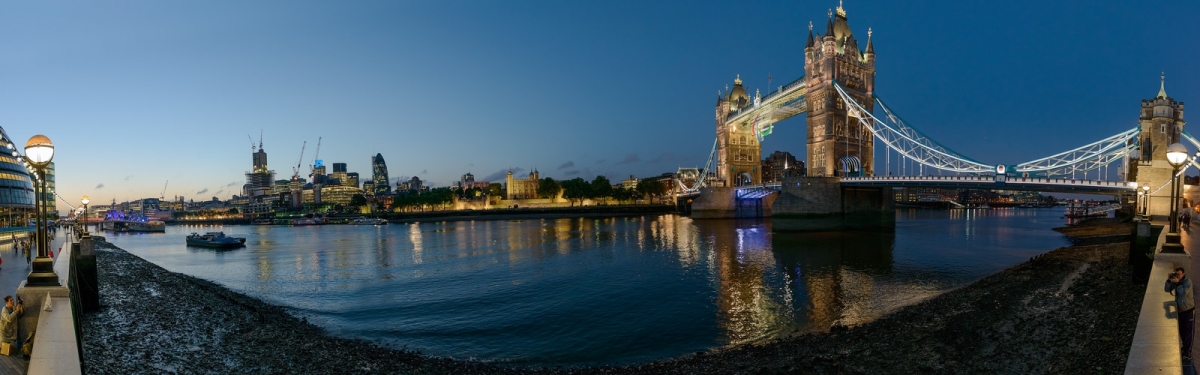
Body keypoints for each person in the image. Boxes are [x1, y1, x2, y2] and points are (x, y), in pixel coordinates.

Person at [1167, 267, 1196, 360]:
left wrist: (1178, 283)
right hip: (1180, 310)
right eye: (1177, 274)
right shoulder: (1175, 280)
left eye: (1180, 274)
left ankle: (1188, 353)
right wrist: (1168, 281)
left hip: (1188, 310)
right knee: (1182, 331)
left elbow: (1184, 292)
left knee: (1189, 332)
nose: (1178, 276)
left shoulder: (1188, 282)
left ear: (1183, 274)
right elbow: (1166, 289)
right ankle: (1184, 349)